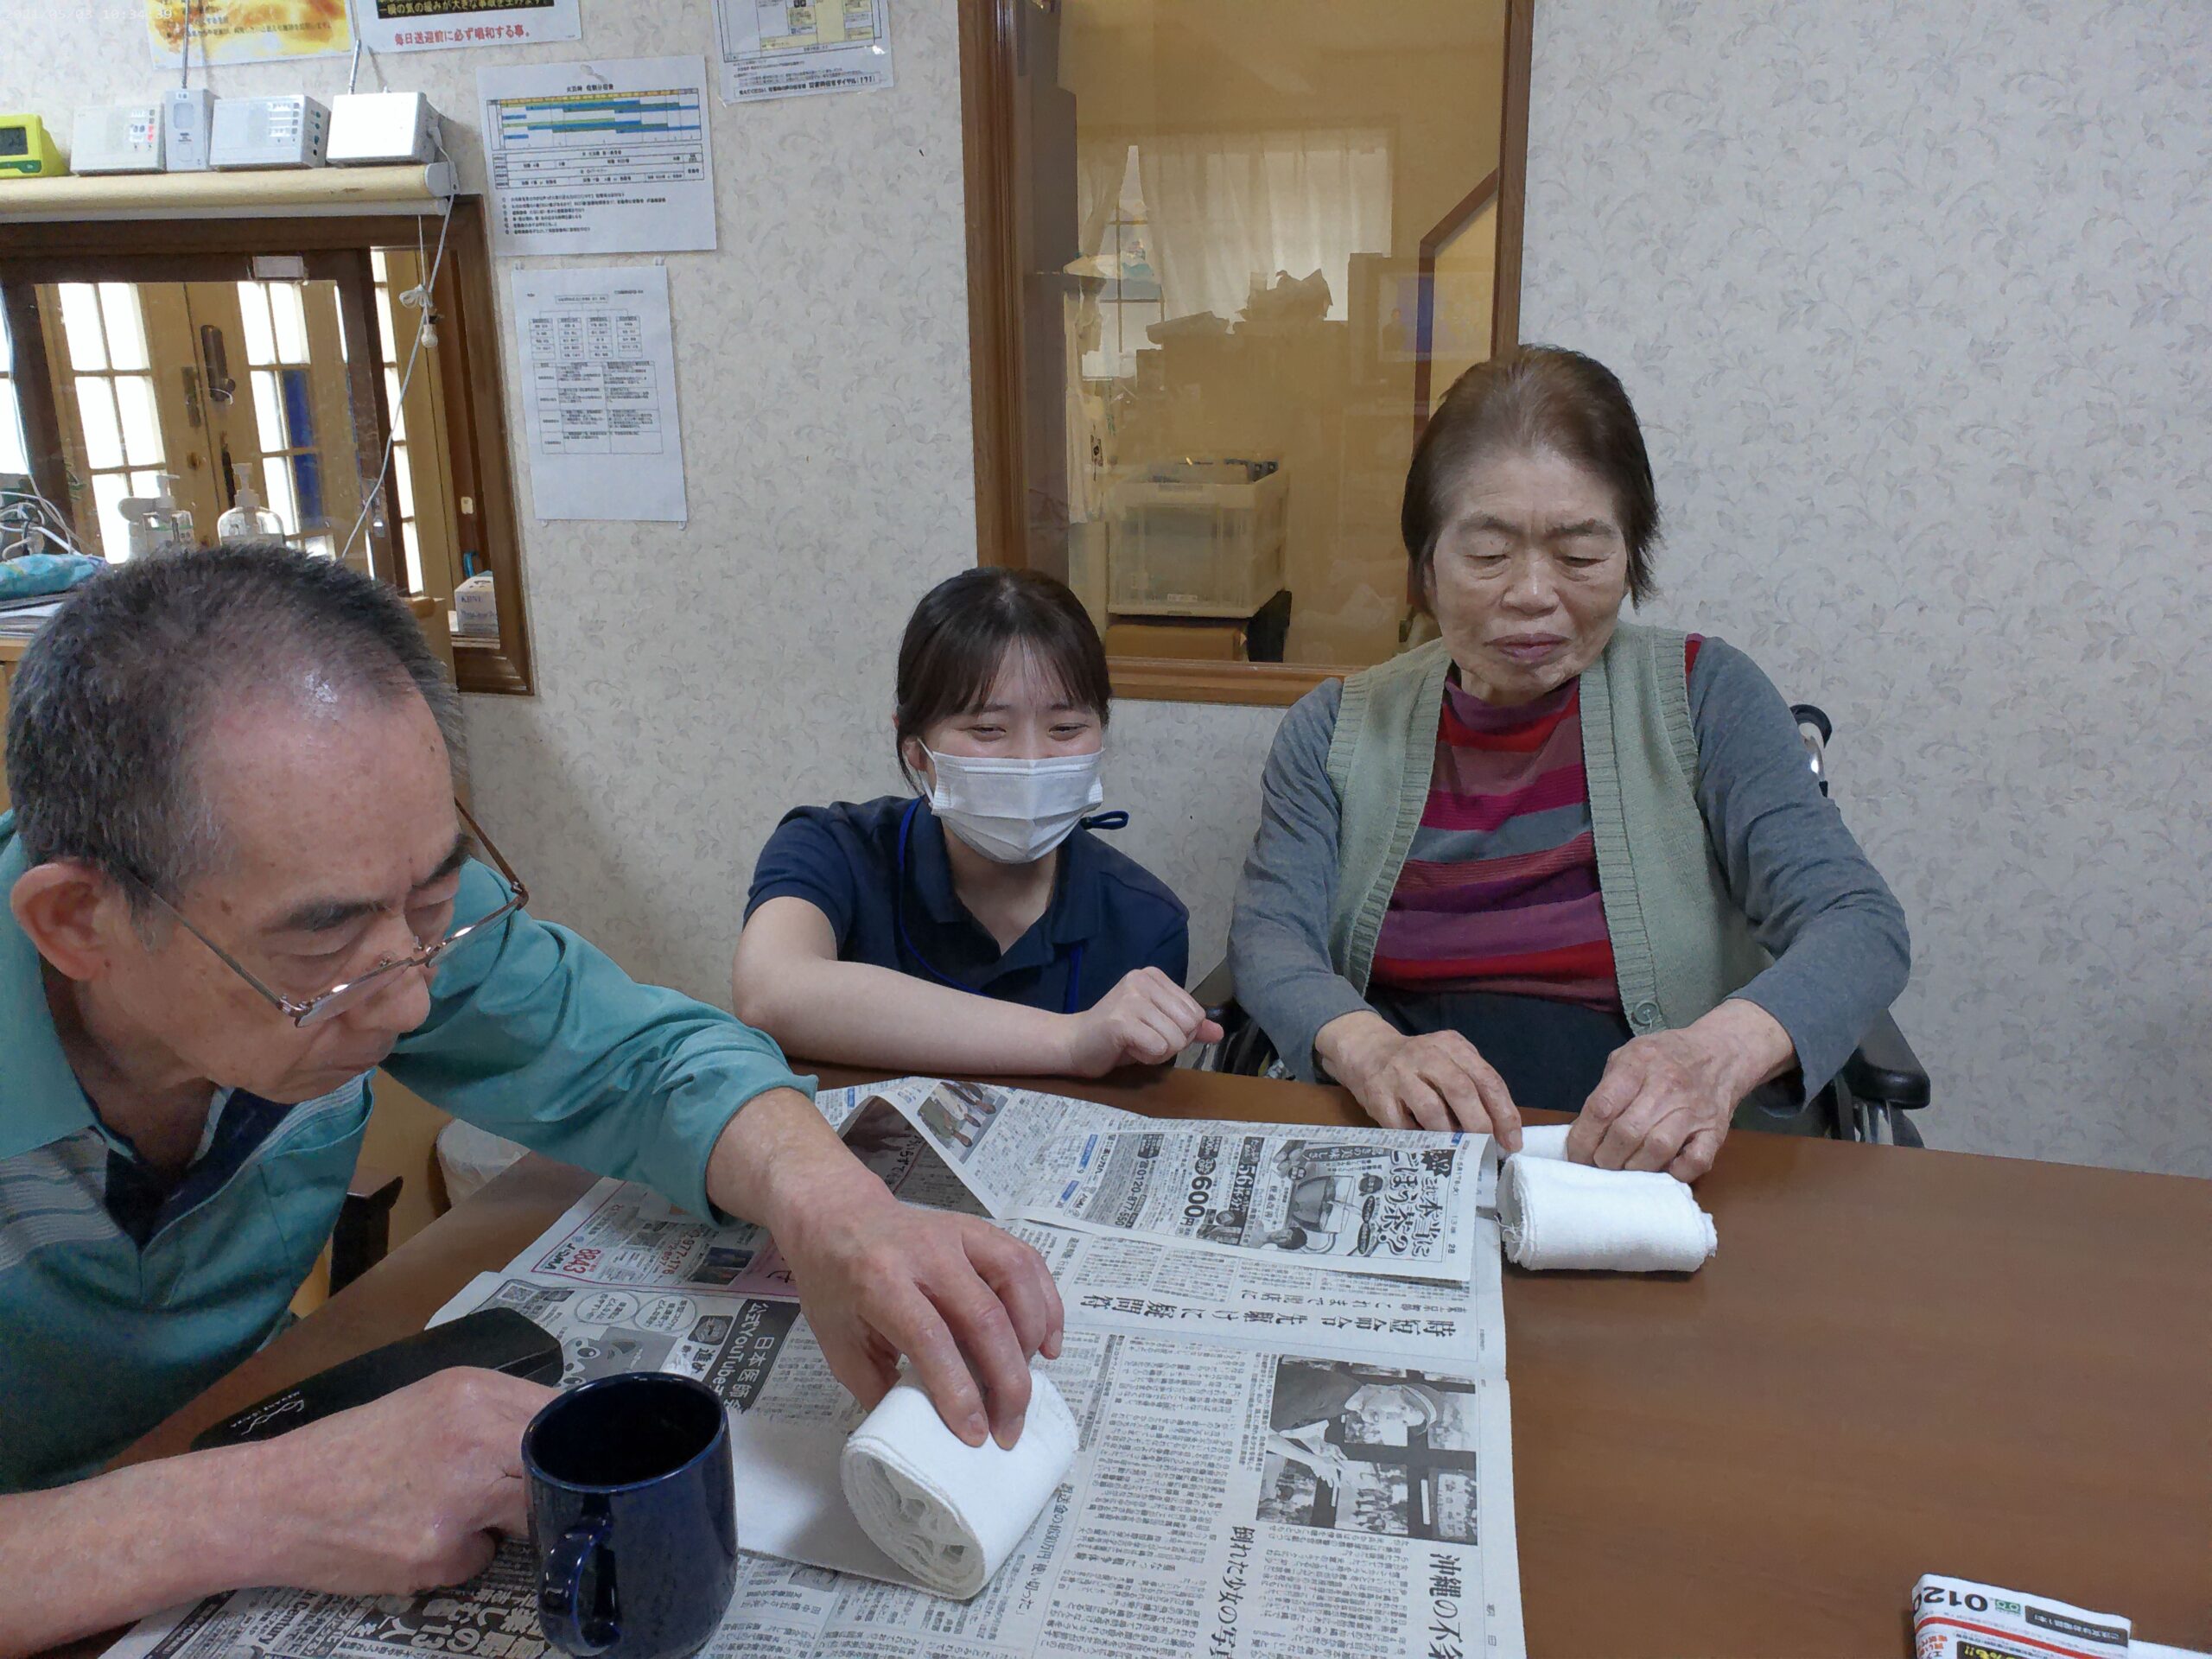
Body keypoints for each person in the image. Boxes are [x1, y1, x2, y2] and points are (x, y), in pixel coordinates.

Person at [0, 546, 1063, 1654]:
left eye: (430, 896)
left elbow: (644, 1059)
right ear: (80, 924)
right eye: (325, 935)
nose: (413, 1000)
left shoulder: (379, 931)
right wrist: (264, 1503)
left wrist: (836, 1210)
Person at [1230, 346, 1910, 1179]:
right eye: (1487, 555)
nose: (1533, 594)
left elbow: (1857, 923)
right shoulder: (1331, 728)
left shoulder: (1706, 695)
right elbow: (1271, 938)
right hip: (1410, 1150)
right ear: (1425, 568)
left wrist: (1713, 1059)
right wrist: (1369, 1048)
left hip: (1653, 1158)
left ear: (1631, 558)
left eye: (1581, 556)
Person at [733, 567, 1220, 1074]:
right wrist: (1071, 1041)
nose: (1030, 760)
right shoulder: (831, 849)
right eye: (988, 729)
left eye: (1067, 727)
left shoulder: (1146, 922)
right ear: (914, 747)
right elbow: (770, 992)